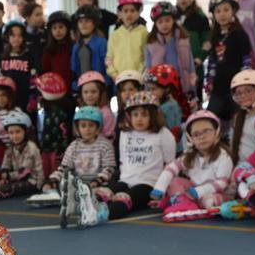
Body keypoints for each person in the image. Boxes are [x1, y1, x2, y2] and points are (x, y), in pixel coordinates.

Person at [100, 91, 176, 222]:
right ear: (129, 116)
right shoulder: (125, 133)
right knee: (104, 193)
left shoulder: (163, 134)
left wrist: (162, 189)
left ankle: (103, 214)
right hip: (126, 180)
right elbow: (123, 160)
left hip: (148, 184)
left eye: (144, 114)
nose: (139, 119)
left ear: (153, 116)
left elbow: (170, 164)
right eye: (135, 115)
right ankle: (88, 206)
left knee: (125, 198)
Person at [149, 109, 234, 222]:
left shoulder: (224, 156)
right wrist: (160, 188)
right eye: (196, 134)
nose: (202, 137)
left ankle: (182, 202)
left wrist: (199, 192)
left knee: (209, 202)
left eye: (207, 131)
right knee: (174, 182)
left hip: (218, 192)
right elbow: (171, 168)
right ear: (190, 138)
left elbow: (221, 183)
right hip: (194, 191)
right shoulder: (190, 155)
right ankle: (182, 202)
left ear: (216, 132)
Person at [38, 106, 117, 221]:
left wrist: (96, 182)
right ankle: (60, 197)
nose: (87, 129)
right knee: (59, 185)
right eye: (83, 126)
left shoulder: (105, 145)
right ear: (77, 128)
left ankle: (80, 202)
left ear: (98, 127)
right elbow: (64, 168)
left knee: (103, 193)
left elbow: (109, 169)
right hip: (78, 185)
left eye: (91, 126)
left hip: (97, 185)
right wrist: (51, 181)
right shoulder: (74, 146)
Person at [204, 0, 253, 125]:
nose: (222, 14)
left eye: (226, 10)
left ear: (233, 11)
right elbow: (212, 62)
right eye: (218, 11)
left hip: (237, 87)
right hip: (218, 88)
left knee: (239, 120)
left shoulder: (240, 34)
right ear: (213, 15)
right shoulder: (214, 36)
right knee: (210, 119)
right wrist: (209, 81)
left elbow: (246, 60)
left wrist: (245, 81)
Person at [145, 2, 195, 94]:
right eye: (160, 22)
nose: (164, 24)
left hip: (181, 84)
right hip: (159, 87)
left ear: (173, 20)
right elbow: (148, 67)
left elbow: (190, 65)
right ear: (155, 24)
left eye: (167, 20)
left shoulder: (183, 39)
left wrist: (192, 88)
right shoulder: (151, 43)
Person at [0, 110, 44, 200]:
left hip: (33, 181)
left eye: (18, 132)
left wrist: (8, 176)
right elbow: (5, 165)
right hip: (18, 178)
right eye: (11, 133)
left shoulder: (31, 147)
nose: (14, 136)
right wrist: (1, 175)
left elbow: (24, 172)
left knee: (8, 188)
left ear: (25, 132)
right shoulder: (10, 148)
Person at [35, 72, 72, 177]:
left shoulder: (56, 113)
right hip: (50, 150)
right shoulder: (50, 110)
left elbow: (61, 135)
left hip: (54, 152)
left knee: (53, 175)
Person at [227, 69, 255, 164]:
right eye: (238, 93)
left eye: (248, 91)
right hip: (242, 168)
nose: (243, 96)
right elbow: (233, 145)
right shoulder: (238, 117)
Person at [106, 0, 148, 79]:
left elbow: (147, 57)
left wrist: (141, 74)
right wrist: (114, 74)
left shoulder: (144, 33)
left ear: (139, 12)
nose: (129, 14)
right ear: (120, 13)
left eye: (132, 10)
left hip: (139, 78)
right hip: (119, 78)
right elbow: (109, 58)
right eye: (125, 11)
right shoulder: (115, 35)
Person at [69, 7, 110, 94]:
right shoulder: (76, 47)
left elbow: (108, 66)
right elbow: (74, 69)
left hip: (100, 89)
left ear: (94, 23)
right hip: (82, 89)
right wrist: (75, 87)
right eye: (80, 21)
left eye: (87, 21)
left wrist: (105, 86)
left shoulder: (101, 43)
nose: (83, 24)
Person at [0, 21, 36, 117]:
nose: (16, 39)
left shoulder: (29, 55)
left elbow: (33, 79)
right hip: (8, 101)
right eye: (13, 36)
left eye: (19, 36)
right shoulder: (3, 57)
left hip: (25, 99)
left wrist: (32, 98)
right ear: (7, 37)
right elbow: (1, 79)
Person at [76, 71, 115, 140]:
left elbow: (108, 135)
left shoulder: (106, 113)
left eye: (93, 92)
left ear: (101, 93)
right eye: (85, 92)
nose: (89, 95)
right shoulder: (81, 112)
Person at [40, 10, 73, 85]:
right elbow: (45, 71)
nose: (58, 31)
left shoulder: (73, 47)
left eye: (61, 27)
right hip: (54, 88)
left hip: (71, 87)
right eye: (54, 28)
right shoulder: (48, 49)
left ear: (67, 29)